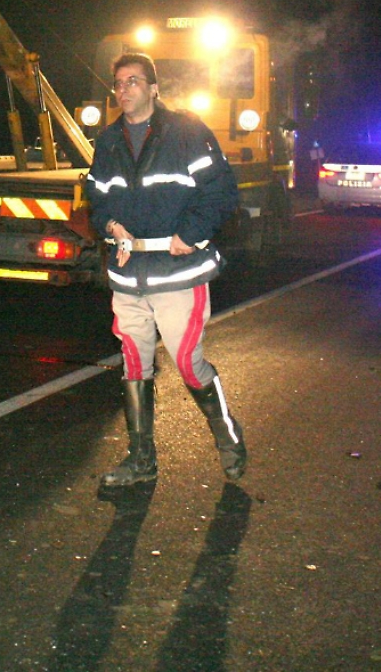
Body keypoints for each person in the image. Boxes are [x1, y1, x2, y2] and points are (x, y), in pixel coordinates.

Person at [86, 52, 245, 486]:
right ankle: (141, 461)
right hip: (128, 275)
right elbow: (97, 201)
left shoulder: (186, 132)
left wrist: (190, 234)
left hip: (177, 274)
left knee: (189, 365)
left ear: (154, 88)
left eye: (134, 81)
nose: (124, 89)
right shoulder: (108, 141)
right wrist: (111, 225)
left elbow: (221, 191)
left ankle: (228, 438)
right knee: (134, 366)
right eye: (118, 83)